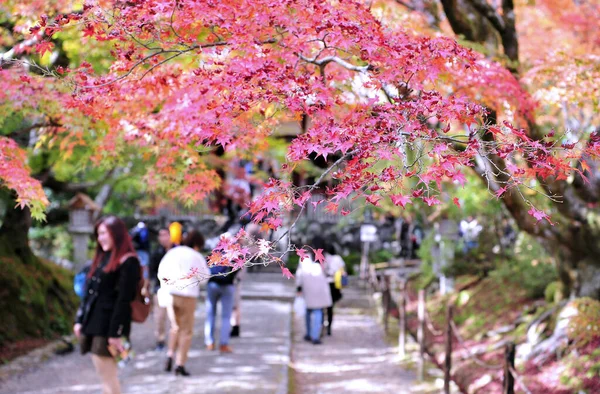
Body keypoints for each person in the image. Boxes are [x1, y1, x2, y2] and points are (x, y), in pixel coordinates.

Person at [73, 216, 141, 394]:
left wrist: (116, 333)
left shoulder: (128, 261)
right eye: (98, 234)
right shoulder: (103, 257)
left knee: (109, 378)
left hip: (109, 328)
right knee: (105, 377)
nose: (100, 238)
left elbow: (124, 300)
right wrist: (79, 319)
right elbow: (89, 292)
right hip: (94, 323)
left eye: (104, 233)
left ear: (116, 234)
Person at [158, 230, 209, 376]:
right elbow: (205, 276)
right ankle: (180, 363)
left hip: (171, 292)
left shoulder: (173, 252)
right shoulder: (196, 256)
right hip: (188, 294)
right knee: (186, 330)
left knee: (175, 327)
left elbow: (161, 271)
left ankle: (170, 354)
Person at [295, 241, 332, 345]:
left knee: (308, 310)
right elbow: (329, 271)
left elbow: (299, 274)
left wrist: (299, 287)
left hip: (308, 286)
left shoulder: (304, 258)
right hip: (320, 287)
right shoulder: (325, 257)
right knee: (318, 311)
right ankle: (315, 335)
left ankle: (308, 333)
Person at [205, 258, 239, 353]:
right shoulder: (235, 251)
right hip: (227, 285)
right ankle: (224, 344)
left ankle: (209, 343)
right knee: (226, 316)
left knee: (210, 315)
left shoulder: (215, 249)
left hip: (212, 283)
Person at [148, 227, 174, 351]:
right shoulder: (156, 252)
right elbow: (151, 272)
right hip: (160, 288)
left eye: (165, 235)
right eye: (161, 235)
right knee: (160, 316)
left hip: (176, 288)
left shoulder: (176, 250)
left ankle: (174, 339)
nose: (163, 238)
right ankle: (160, 340)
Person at [323, 242, 345, 336]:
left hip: (324, 283)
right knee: (330, 308)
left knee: (322, 306)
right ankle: (329, 328)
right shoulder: (338, 258)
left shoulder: (323, 257)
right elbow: (343, 270)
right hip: (334, 285)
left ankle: (321, 325)